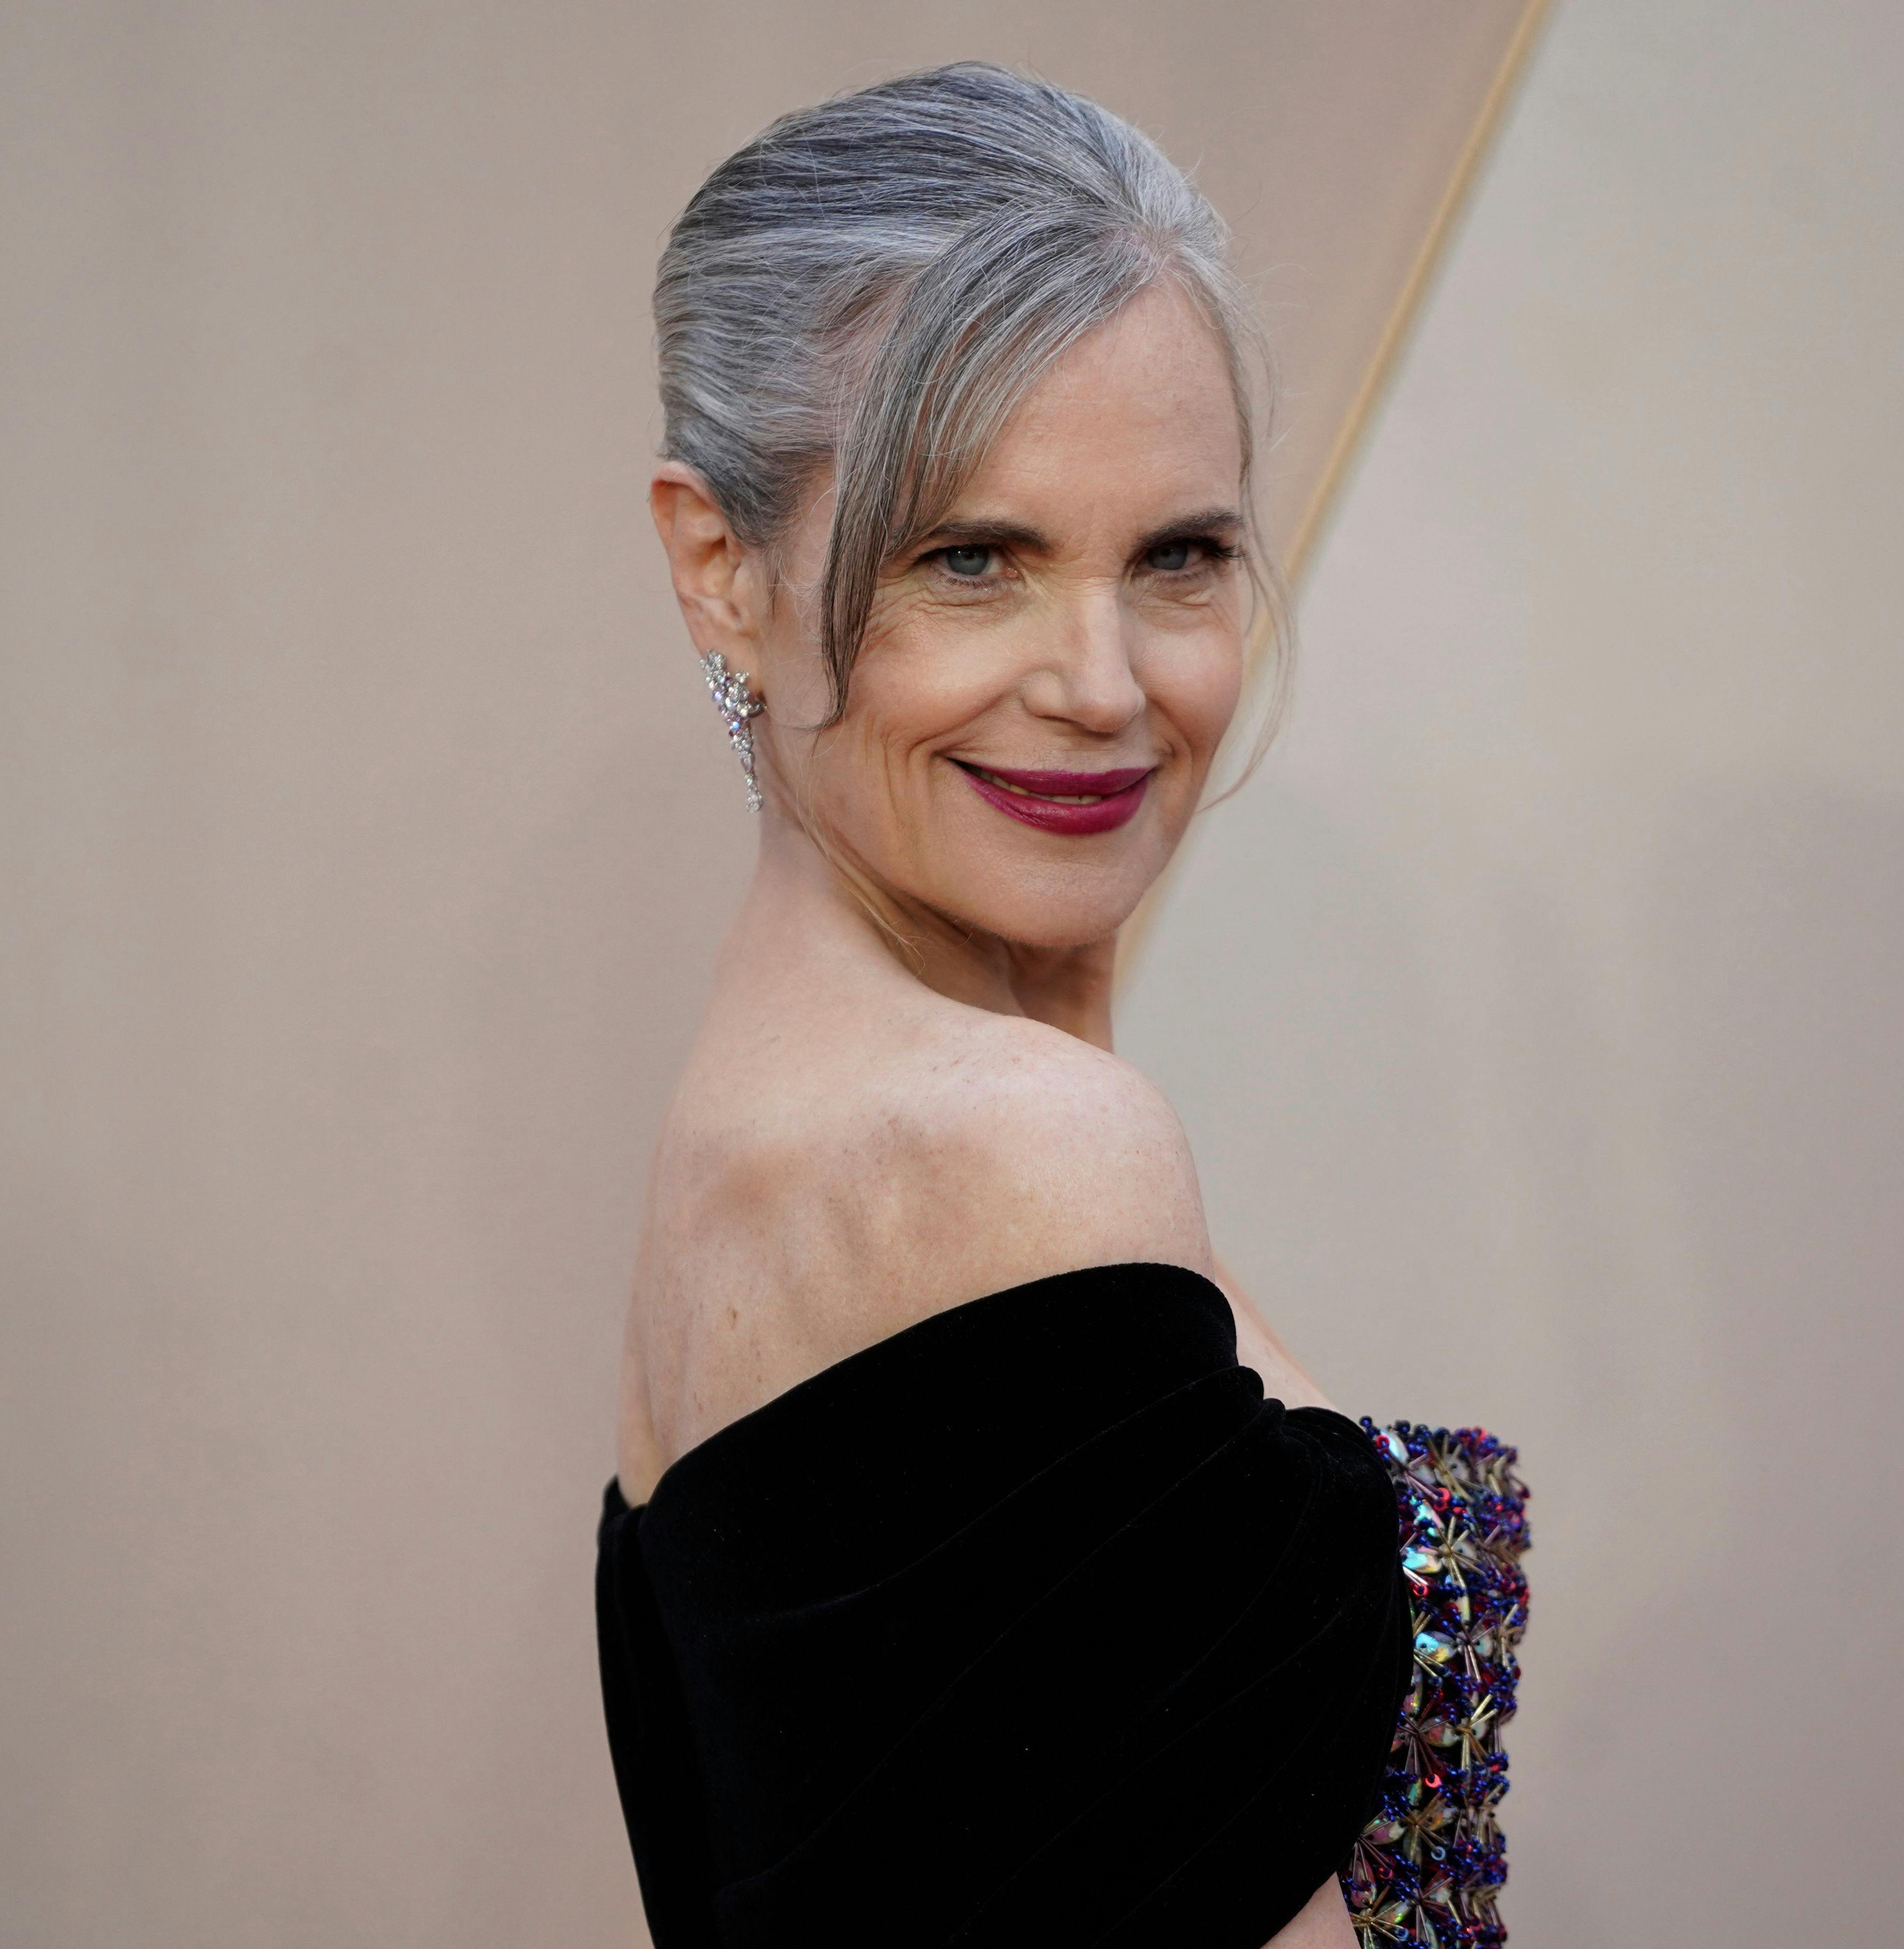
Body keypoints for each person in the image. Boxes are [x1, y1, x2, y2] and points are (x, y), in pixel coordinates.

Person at [595, 63, 1529, 1948]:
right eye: (973, 559)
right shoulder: (1013, 1155)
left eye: (1177, 556)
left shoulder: (776, 1110)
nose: (1104, 682)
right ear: (722, 568)